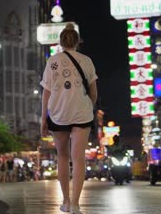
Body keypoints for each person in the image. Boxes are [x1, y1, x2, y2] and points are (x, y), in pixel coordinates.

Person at [40, 23, 98, 214]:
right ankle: (75, 204)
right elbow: (93, 92)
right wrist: (88, 105)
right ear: (77, 42)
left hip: (58, 114)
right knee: (78, 158)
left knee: (63, 157)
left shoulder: (52, 61)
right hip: (81, 113)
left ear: (61, 42)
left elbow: (46, 94)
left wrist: (43, 119)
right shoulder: (86, 60)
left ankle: (65, 201)